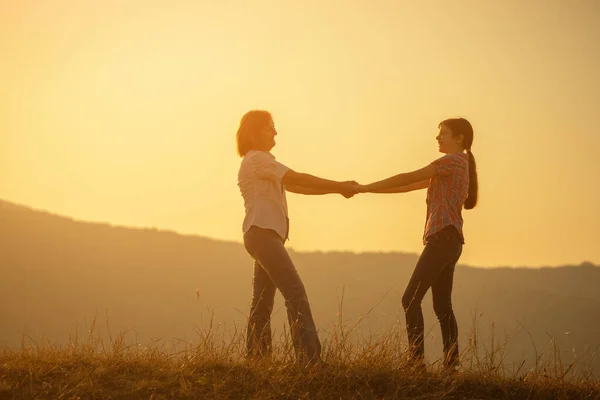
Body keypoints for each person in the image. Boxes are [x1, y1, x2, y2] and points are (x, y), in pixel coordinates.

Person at [236, 109, 357, 364]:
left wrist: (338, 191)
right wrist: (340, 186)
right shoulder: (258, 159)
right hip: (263, 235)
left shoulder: (261, 162)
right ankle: (310, 361)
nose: (275, 132)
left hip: (263, 236)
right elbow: (297, 177)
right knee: (295, 293)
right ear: (258, 130)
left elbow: (296, 186)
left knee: (262, 303)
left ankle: (257, 361)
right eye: (271, 127)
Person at [358, 117, 479, 372]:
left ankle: (416, 363)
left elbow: (408, 176)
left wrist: (363, 187)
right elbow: (407, 185)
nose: (438, 138)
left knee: (409, 299)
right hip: (452, 240)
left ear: (459, 138)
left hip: (442, 239)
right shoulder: (458, 165)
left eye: (443, 133)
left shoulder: (451, 162)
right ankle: (451, 366)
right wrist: (366, 189)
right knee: (442, 306)